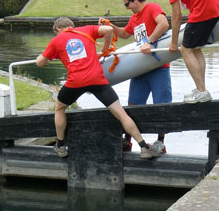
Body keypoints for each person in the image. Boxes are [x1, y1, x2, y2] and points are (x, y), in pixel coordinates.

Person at [36, 17, 162, 159]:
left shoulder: (57, 40)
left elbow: (39, 62)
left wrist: (50, 56)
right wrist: (105, 47)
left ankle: (61, 145)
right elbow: (108, 29)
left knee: (59, 108)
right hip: (97, 79)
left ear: (58, 29)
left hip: (75, 81)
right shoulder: (86, 30)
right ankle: (144, 147)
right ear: (72, 26)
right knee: (121, 113)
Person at [100, 0, 171, 154]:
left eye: (127, 4)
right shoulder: (134, 18)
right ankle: (128, 140)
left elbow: (164, 23)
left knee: (161, 104)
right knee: (133, 104)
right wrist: (110, 26)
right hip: (139, 68)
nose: (127, 7)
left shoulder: (152, 8)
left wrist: (150, 41)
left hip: (158, 66)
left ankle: (161, 142)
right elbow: (125, 33)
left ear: (135, 0)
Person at [163, 0, 219, 104]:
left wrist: (173, 43)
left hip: (202, 11)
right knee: (195, 49)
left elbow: (177, 15)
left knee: (186, 50)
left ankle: (202, 91)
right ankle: (201, 89)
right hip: (217, 9)